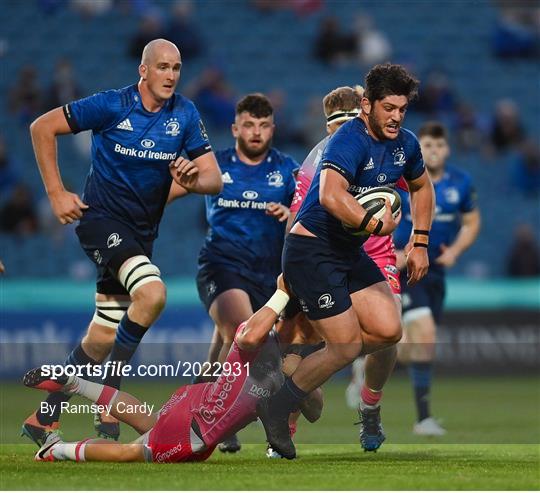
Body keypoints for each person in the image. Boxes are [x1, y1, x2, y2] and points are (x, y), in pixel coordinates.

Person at [23, 38, 223, 447]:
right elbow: (41, 126)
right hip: (99, 222)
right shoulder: (111, 105)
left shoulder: (184, 114)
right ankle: (109, 398)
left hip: (140, 234)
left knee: (100, 339)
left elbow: (214, 179)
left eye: (177, 67)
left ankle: (43, 417)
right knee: (152, 294)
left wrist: (191, 180)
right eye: (163, 67)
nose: (171, 75)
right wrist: (57, 194)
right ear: (143, 70)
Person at [258, 63, 435, 459]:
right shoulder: (347, 141)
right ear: (367, 105)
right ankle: (278, 407)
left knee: (390, 330)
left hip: (348, 251)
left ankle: (291, 386)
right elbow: (330, 195)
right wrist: (373, 222)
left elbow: (423, 188)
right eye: (388, 108)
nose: (396, 117)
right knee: (343, 346)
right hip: (311, 251)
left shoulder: (404, 143)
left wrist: (420, 241)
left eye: (402, 109)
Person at [25, 277, 323, 463]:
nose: (325, 330)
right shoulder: (257, 335)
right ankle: (54, 450)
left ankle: (74, 383)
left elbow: (315, 411)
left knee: (150, 423)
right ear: (300, 320)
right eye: (320, 321)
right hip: (198, 429)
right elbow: (246, 336)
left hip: (198, 410)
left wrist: (302, 381)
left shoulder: (293, 359)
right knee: (133, 453)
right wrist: (281, 293)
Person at [282, 84, 407, 454]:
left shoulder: (381, 147)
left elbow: (410, 184)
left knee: (389, 335)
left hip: (377, 253)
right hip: (327, 254)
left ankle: (370, 405)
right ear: (327, 129)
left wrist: (415, 239)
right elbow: (296, 219)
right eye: (337, 127)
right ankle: (285, 421)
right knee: (302, 340)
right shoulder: (313, 163)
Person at [190, 93, 298, 452]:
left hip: (268, 276)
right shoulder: (214, 165)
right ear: (235, 127)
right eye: (249, 125)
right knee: (241, 332)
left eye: (263, 125)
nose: (256, 132)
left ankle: (204, 396)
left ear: (273, 129)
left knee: (227, 342)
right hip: (221, 265)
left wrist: (289, 217)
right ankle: (221, 417)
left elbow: (309, 220)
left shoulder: (288, 170)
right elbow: (170, 190)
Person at [394, 121, 480, 436]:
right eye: (427, 145)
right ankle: (423, 419)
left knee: (409, 345)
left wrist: (455, 251)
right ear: (420, 148)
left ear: (448, 149)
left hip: (436, 272)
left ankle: (368, 361)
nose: (433, 150)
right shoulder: (402, 180)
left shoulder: (461, 181)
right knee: (426, 336)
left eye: (439, 145)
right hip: (404, 271)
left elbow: (472, 222)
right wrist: (394, 256)